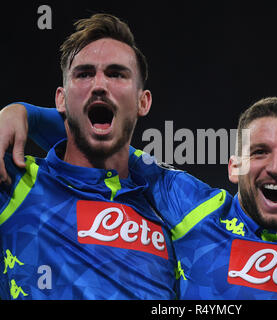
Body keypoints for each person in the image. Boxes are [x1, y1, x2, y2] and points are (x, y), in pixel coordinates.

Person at [2, 96, 277, 299]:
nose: (276, 167)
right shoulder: (192, 205)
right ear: (234, 167)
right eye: (259, 153)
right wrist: (26, 114)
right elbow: (104, 143)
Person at [0, 13, 178, 299]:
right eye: (84, 74)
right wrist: (17, 111)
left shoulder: (170, 208)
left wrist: (28, 114)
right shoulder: (15, 181)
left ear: (142, 101)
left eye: (116, 74)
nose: (99, 85)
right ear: (61, 99)